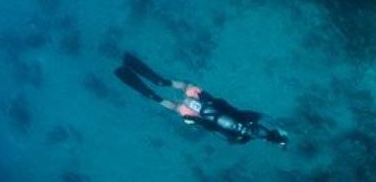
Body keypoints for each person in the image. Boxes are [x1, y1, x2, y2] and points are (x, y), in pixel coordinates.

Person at [115, 52, 288, 147]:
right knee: (160, 92)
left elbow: (216, 130)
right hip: (201, 109)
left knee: (161, 88)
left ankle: (128, 66)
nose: (260, 133)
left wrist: (279, 133)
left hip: (203, 106)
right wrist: (196, 122)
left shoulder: (250, 124)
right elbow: (216, 131)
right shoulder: (245, 133)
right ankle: (128, 72)